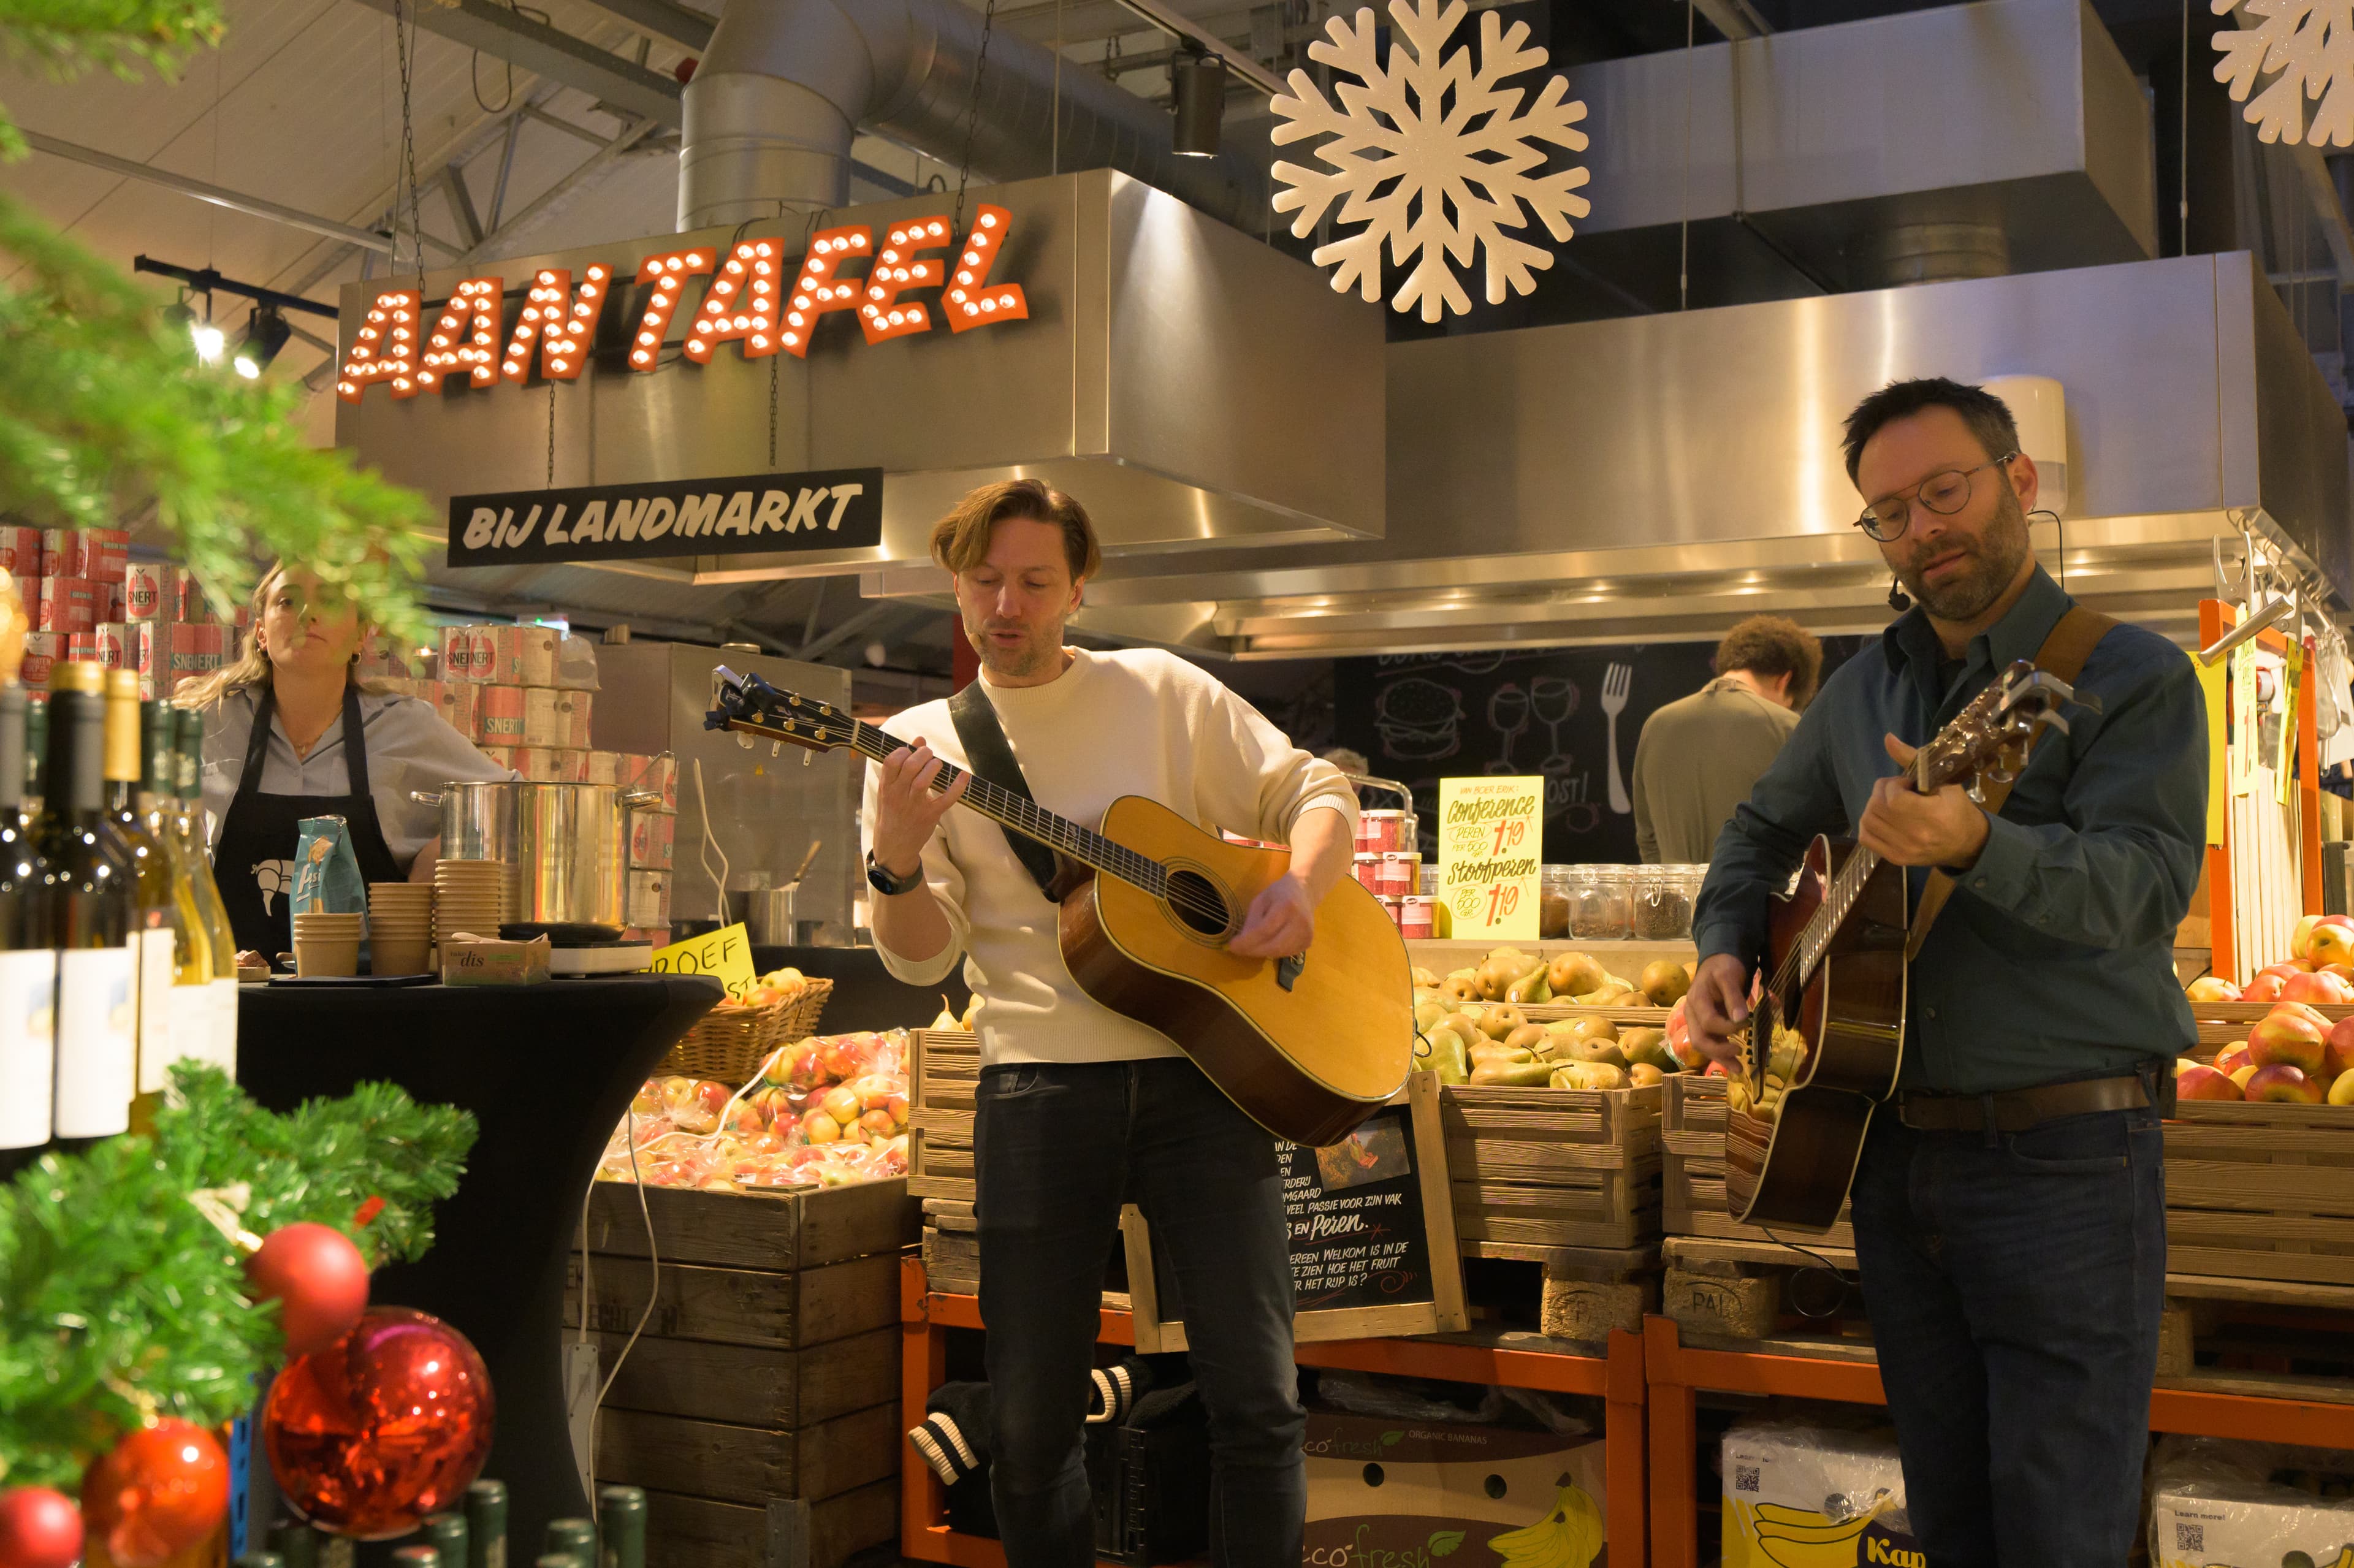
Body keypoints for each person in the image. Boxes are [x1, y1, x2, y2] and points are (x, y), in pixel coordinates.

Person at [1684, 377, 2204, 1564]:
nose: (1924, 528)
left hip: (2065, 1159)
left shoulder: (2130, 675)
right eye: (1892, 512)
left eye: (1945, 491)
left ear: (2018, 483)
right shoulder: (1862, 686)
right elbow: (1761, 835)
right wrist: (1723, 947)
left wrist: (1981, 842)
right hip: (1884, 1142)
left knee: (2062, 1523)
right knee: (1952, 1518)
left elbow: (2143, 888)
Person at [861, 479, 1357, 1567]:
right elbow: (924, 957)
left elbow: (1316, 789)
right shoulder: (915, 744)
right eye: (985, 580)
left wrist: (1305, 888)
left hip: (1206, 1077)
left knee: (1261, 1399)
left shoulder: (1164, 690)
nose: (1009, 603)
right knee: (1034, 1426)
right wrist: (895, 859)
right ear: (955, 584)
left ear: (1078, 587)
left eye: (1036, 581)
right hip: (1039, 1088)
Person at [178, 563, 516, 956]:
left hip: (370, 1002)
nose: (307, 616)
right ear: (261, 633)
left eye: (331, 602)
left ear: (360, 637)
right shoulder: (206, 721)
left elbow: (510, 803)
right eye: (287, 602)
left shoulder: (405, 725)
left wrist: (441, 856)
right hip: (238, 997)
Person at [1630, 615, 1821, 863]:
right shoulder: (1788, 726)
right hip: (1759, 900)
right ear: (1785, 680)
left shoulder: (1656, 725)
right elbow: (1815, 842)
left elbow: (1648, 841)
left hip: (1677, 900)